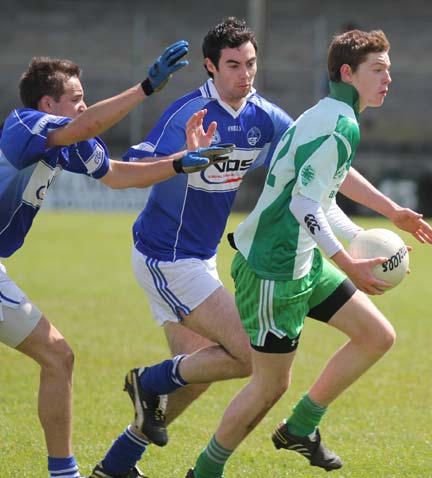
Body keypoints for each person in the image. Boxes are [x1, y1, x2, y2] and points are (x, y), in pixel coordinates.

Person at [185, 29, 432, 478]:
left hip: (304, 259)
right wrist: (348, 264)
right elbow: (303, 205)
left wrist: (383, 219)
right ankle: (203, 472)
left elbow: (323, 196)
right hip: (272, 269)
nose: (387, 80)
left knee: (376, 336)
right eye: (377, 70)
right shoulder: (340, 123)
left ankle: (301, 427)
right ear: (347, 73)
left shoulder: (330, 115)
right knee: (268, 387)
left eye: (389, 70)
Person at [0, 43, 233, 478]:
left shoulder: (69, 145)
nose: (84, 105)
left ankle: (63, 472)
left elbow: (119, 175)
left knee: (58, 358)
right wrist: (146, 87)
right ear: (48, 104)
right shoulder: (24, 125)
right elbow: (89, 122)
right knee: (57, 357)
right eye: (76, 97)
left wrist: (181, 163)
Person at [89, 17, 293, 478]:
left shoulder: (264, 116)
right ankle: (148, 380)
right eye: (234, 65)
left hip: (199, 259)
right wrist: (182, 160)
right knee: (245, 354)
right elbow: (131, 168)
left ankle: (116, 465)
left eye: (251, 64)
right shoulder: (189, 114)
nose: (246, 74)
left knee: (200, 373)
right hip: (166, 257)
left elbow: (310, 150)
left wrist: (387, 209)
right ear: (210, 67)